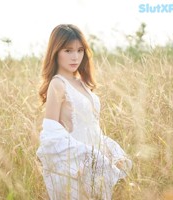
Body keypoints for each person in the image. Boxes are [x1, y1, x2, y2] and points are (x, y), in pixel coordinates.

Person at [36, 24, 132, 200]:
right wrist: (91, 156)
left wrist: (110, 151)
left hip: (98, 156)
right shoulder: (57, 84)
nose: (75, 57)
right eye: (68, 50)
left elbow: (93, 127)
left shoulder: (83, 84)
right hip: (78, 162)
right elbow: (51, 135)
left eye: (80, 50)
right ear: (56, 52)